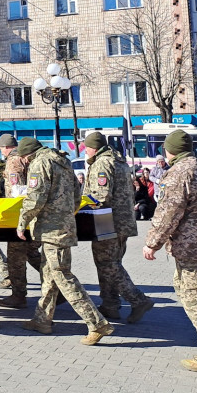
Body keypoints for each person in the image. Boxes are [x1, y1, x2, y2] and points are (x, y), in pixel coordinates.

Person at [142, 129, 197, 373]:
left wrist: (152, 243)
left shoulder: (180, 172)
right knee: (189, 290)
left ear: (170, 150)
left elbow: (169, 212)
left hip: (192, 246)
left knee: (196, 298)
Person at [17, 137, 114, 345]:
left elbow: (35, 198)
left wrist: (22, 221)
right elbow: (77, 195)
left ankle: (96, 323)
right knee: (49, 275)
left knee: (63, 277)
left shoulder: (39, 163)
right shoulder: (63, 161)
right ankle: (42, 320)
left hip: (52, 230)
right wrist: (67, 214)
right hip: (65, 226)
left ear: (27, 155)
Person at [82, 132, 154, 323]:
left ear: (94, 148)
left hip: (107, 221)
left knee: (108, 264)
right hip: (122, 221)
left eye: (87, 148)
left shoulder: (102, 164)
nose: (85, 151)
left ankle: (138, 300)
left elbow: (100, 196)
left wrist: (80, 206)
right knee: (111, 262)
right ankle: (110, 305)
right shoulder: (119, 161)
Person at [0, 134, 44, 310]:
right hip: (34, 213)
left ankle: (18, 295)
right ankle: (57, 288)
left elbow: (18, 189)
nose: (1, 151)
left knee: (15, 256)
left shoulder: (14, 161)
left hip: (19, 213)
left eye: (1, 148)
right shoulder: (29, 157)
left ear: (5, 147)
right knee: (31, 252)